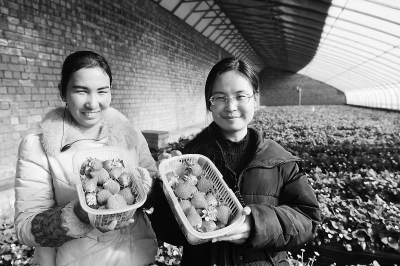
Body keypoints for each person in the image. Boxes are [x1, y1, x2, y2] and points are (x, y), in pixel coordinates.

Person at [150, 57, 321, 266]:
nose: (230, 106)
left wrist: (255, 226)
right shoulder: (189, 161)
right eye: (220, 97)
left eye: (240, 96)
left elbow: (308, 220)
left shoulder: (279, 160)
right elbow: (170, 234)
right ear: (209, 104)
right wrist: (165, 187)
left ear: (255, 100)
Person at [14, 51, 158, 266]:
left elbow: (153, 199)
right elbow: (25, 228)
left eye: (102, 91)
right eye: (81, 91)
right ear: (63, 92)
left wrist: (152, 183)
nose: (93, 103)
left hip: (137, 257)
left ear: (111, 92)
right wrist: (79, 215)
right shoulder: (38, 147)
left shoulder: (132, 136)